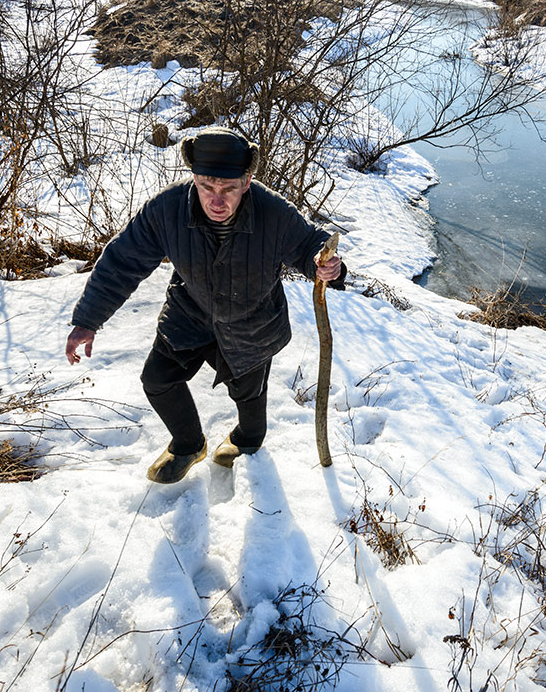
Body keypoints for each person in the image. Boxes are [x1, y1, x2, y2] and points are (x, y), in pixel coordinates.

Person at [64, 126, 344, 483]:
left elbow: (310, 245)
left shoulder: (273, 212)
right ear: (194, 178)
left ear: (246, 182)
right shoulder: (168, 209)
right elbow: (123, 261)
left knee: (250, 392)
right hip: (190, 312)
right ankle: (187, 444)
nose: (216, 200)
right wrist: (88, 319)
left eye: (228, 188)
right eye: (207, 187)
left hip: (252, 320)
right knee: (157, 380)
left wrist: (325, 263)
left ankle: (248, 440)